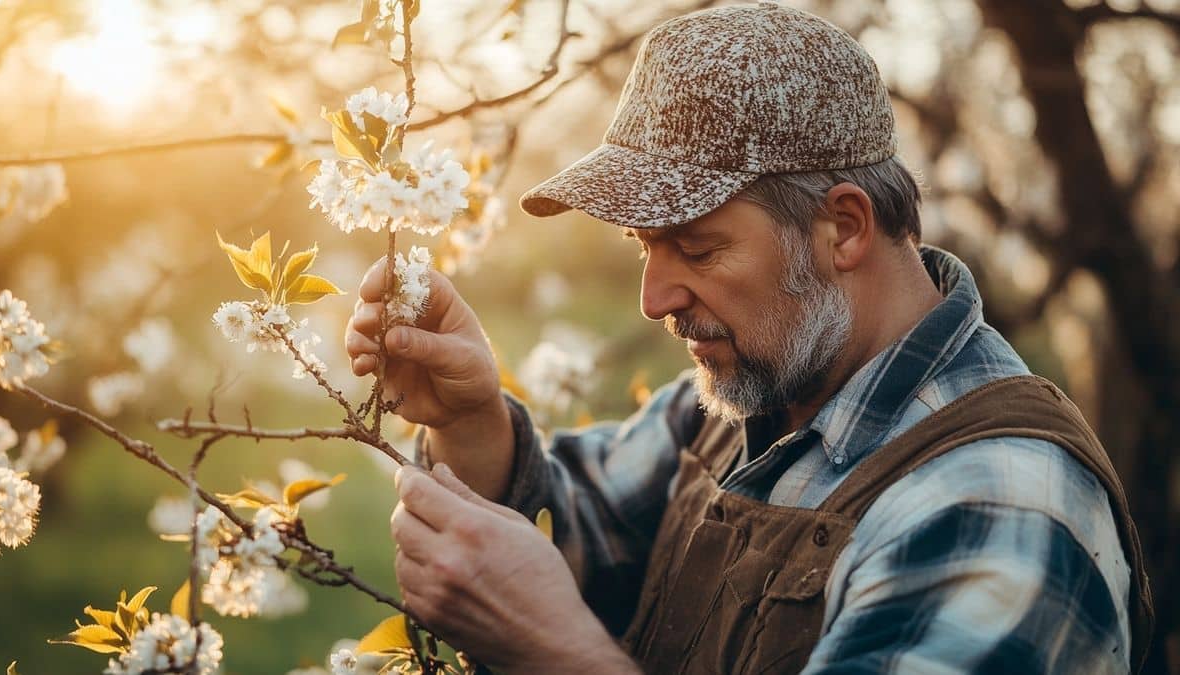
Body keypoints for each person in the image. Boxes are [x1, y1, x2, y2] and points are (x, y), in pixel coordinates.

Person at [344, 4, 1154, 673]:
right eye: (644, 246)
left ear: (843, 227)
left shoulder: (996, 506)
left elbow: (547, 612)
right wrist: (472, 421)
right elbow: (575, 536)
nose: (654, 297)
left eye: (696, 247)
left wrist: (555, 654)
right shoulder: (743, 404)